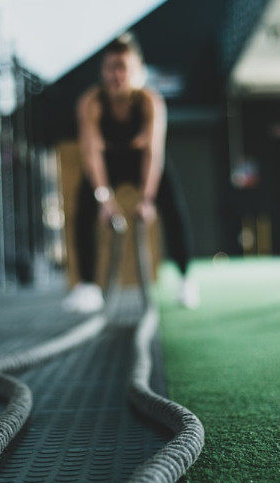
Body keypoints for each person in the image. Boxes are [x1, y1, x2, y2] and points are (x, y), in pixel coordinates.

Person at [62, 33, 199, 313]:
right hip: (107, 163)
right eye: (111, 68)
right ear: (103, 71)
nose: (116, 75)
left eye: (122, 67)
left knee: (172, 206)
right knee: (83, 206)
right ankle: (87, 287)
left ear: (136, 71)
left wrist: (147, 200)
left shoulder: (150, 102)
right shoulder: (91, 103)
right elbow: (91, 154)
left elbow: (153, 154)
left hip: (141, 163)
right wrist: (104, 200)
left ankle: (185, 279)